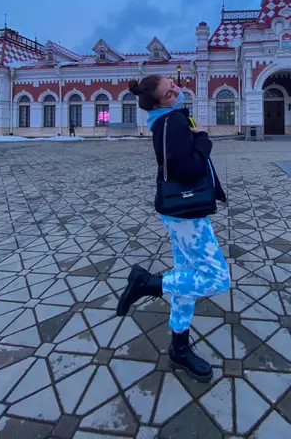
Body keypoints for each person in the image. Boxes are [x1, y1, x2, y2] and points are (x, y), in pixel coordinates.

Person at [116, 75, 230, 382]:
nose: (177, 90)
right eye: (169, 92)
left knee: (186, 279)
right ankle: (148, 284)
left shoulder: (163, 121)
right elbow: (188, 168)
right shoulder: (173, 122)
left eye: (173, 85)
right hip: (187, 215)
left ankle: (179, 348)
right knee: (217, 278)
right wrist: (204, 139)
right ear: (160, 103)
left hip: (178, 212)